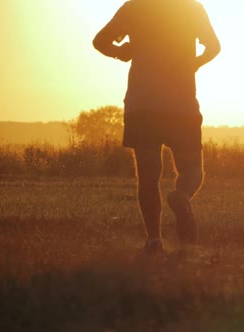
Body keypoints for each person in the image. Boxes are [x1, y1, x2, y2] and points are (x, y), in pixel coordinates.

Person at [93, 0, 220, 253]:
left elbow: (100, 41)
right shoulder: (191, 8)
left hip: (143, 106)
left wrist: (123, 51)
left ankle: (154, 239)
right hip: (181, 105)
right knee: (192, 171)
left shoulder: (134, 7)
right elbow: (214, 47)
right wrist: (193, 64)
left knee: (148, 177)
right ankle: (182, 196)